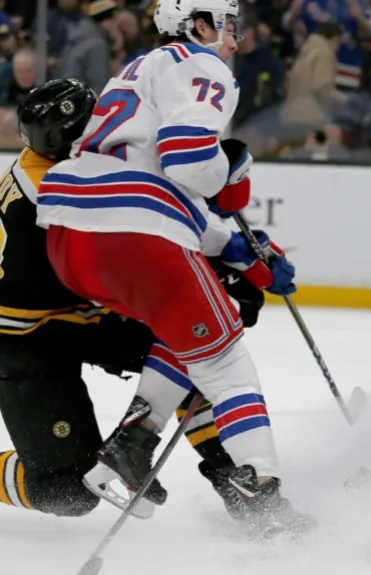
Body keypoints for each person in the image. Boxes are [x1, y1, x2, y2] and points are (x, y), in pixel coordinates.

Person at [34, 0, 313, 537]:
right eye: (229, 26)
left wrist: (243, 251)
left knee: (188, 329)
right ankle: (264, 489)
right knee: (227, 364)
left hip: (71, 241)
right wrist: (232, 172)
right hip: (135, 235)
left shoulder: (136, 70)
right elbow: (188, 161)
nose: (234, 40)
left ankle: (130, 446)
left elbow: (160, 190)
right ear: (200, 24)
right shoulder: (201, 64)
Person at [0, 78, 262, 520]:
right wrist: (222, 263)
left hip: (84, 312)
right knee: (66, 490)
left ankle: (236, 482)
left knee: (191, 345)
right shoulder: (52, 190)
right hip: (24, 340)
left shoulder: (74, 163)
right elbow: (143, 234)